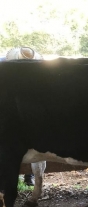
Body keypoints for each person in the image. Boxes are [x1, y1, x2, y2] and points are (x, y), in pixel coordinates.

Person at [6, 46, 44, 186]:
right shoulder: (7, 70)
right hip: (13, 110)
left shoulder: (35, 74)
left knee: (30, 142)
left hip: (27, 111)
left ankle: (28, 177)